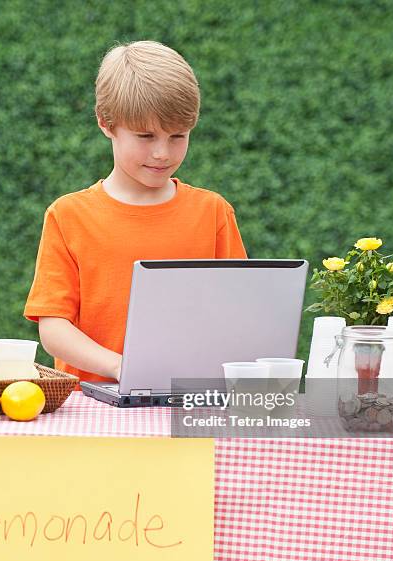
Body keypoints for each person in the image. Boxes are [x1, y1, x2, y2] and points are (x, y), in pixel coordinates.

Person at [24, 40, 247, 385]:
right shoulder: (68, 216)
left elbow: (238, 315)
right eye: (145, 135)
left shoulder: (213, 213)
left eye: (178, 136)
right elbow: (54, 328)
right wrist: (122, 368)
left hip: (189, 398)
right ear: (106, 123)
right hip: (93, 405)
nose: (162, 153)